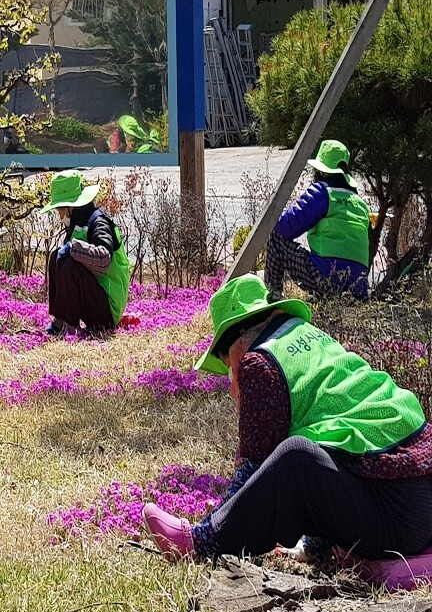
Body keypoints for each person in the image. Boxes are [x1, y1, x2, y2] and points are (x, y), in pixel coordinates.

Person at [143, 274, 432, 588]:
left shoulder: (259, 362)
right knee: (311, 457)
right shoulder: (308, 337)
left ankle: (199, 543)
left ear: (237, 344)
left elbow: (255, 468)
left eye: (226, 362)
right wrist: (312, 547)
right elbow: (337, 457)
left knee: (296, 456)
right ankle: (322, 550)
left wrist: (218, 523)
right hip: (416, 504)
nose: (230, 376)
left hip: (394, 520)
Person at [265, 139, 370, 300]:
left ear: (321, 170)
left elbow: (284, 227)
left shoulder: (322, 192)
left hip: (325, 276)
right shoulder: (360, 202)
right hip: (359, 284)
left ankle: (273, 295)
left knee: (275, 234)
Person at [40, 170, 130, 336]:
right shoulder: (77, 224)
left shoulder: (99, 223)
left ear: (70, 206)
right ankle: (60, 321)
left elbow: (103, 259)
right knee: (56, 257)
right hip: (93, 302)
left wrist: (73, 248)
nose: (59, 215)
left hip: (107, 308)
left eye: (60, 209)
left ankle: (69, 325)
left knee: (68, 263)